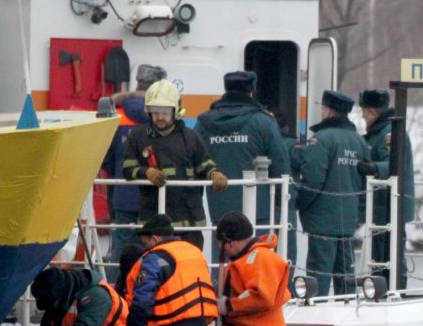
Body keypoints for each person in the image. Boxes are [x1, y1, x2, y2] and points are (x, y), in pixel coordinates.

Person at [195, 71, 294, 264]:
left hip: (219, 212)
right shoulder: (264, 122)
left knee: (222, 268)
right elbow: (281, 164)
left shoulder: (204, 123)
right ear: (251, 91)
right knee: (255, 268)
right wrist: (283, 201)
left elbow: (195, 161)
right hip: (259, 214)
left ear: (226, 89)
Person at [123, 80, 227, 250]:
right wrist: (146, 172)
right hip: (153, 221)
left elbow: (205, 164)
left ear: (175, 110)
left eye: (164, 112)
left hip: (188, 222)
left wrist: (215, 173)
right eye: (155, 111)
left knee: (190, 266)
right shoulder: (137, 136)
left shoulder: (191, 137)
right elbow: (128, 169)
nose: (160, 117)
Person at [290, 90, 369, 295]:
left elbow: (313, 178)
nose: (322, 112)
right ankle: (348, 312)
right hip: (348, 219)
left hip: (322, 220)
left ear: (330, 111)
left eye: (323, 108)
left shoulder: (322, 138)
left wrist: (299, 202)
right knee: (345, 273)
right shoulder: (358, 141)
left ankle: (316, 313)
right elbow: (364, 181)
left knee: (319, 274)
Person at [103, 64, 167, 281]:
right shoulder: (164, 117)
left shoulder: (118, 115)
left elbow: (106, 159)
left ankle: (116, 298)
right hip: (158, 198)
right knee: (158, 253)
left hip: (124, 197)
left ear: (137, 84)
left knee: (120, 254)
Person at [357, 89, 415, 289]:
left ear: (372, 112)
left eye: (364, 112)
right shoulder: (380, 132)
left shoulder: (389, 133)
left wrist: (374, 168)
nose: (363, 117)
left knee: (391, 255)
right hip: (382, 206)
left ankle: (395, 291)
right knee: (380, 256)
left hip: (389, 206)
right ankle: (383, 290)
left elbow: (395, 161)